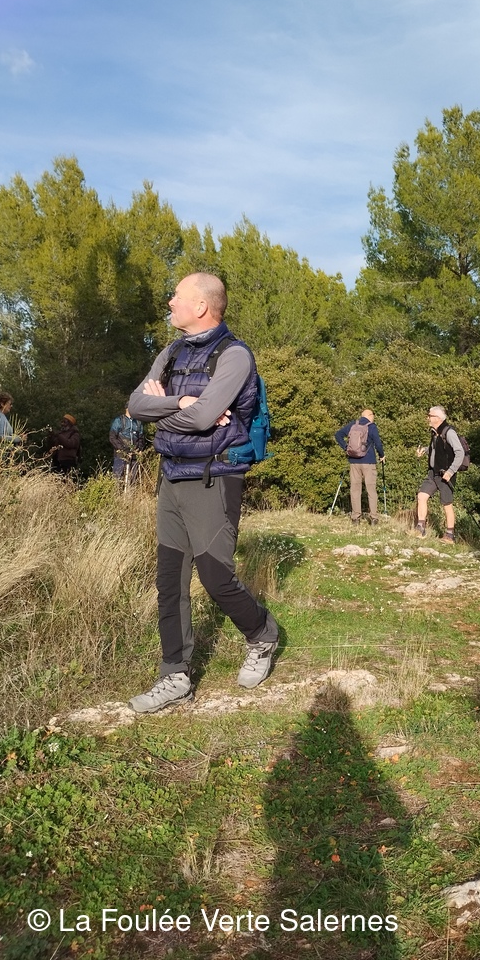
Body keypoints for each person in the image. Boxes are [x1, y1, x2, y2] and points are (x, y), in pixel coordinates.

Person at [127, 272, 279, 714]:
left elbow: (203, 418)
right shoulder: (171, 352)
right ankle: (174, 675)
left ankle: (262, 634)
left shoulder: (235, 356)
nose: (170, 301)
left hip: (215, 477)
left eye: (177, 295)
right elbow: (135, 406)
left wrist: (169, 410)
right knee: (168, 581)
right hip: (171, 476)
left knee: (215, 578)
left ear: (201, 307)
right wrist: (179, 403)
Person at [414, 406, 465, 543]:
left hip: (445, 475)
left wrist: (450, 471)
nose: (427, 418)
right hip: (433, 473)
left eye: (429, 416)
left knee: (446, 504)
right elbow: (436, 449)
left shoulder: (449, 432)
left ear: (437, 418)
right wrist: (425, 450)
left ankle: (450, 535)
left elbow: (460, 452)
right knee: (421, 496)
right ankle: (420, 529)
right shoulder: (435, 432)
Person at [334, 409, 385, 526]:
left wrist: (346, 448)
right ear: (369, 416)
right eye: (373, 415)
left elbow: (338, 435)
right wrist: (382, 455)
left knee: (355, 489)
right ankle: (374, 518)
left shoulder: (353, 424)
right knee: (371, 490)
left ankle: (355, 518)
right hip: (369, 462)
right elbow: (378, 443)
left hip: (353, 461)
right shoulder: (372, 426)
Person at [109, 405, 145, 484]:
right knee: (118, 478)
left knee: (133, 479)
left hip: (134, 455)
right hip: (121, 455)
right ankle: (117, 492)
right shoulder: (119, 421)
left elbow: (141, 438)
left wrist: (139, 449)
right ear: (127, 409)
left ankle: (131, 492)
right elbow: (112, 438)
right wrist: (124, 450)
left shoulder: (138, 422)